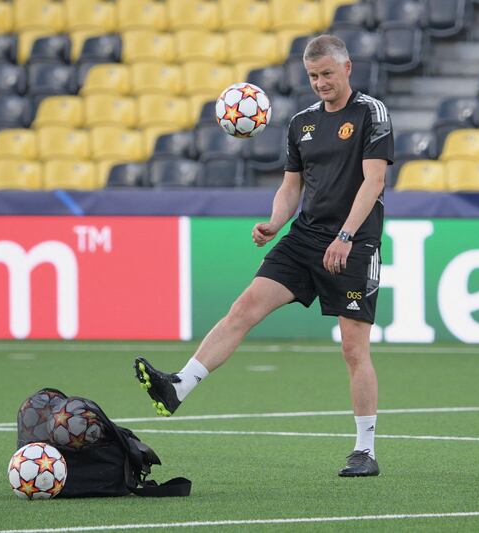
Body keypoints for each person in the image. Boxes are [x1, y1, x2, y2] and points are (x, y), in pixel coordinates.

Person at [133, 34, 393, 478]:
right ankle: (179, 386)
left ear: (347, 68)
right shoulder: (302, 123)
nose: (320, 83)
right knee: (243, 307)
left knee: (354, 348)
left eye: (327, 74)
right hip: (305, 238)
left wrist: (346, 236)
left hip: (354, 243)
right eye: (313, 76)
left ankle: (365, 449)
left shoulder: (371, 113)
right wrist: (275, 222)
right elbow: (291, 186)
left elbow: (374, 182)